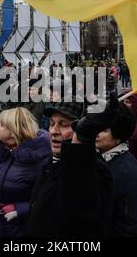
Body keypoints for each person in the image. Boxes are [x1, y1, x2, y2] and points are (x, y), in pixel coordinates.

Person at [26, 100, 114, 236]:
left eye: (64, 125)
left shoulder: (95, 169)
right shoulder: (50, 161)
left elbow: (81, 216)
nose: (54, 131)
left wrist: (79, 143)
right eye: (51, 124)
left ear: (82, 128)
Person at [0, 107, 51, 237]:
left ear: (14, 129)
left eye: (2, 125)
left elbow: (48, 199)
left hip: (23, 230)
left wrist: (20, 210)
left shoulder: (40, 157)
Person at [94, 103, 137, 236]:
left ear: (118, 137)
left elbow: (129, 224)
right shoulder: (100, 157)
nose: (96, 133)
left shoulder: (126, 171)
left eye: (104, 130)